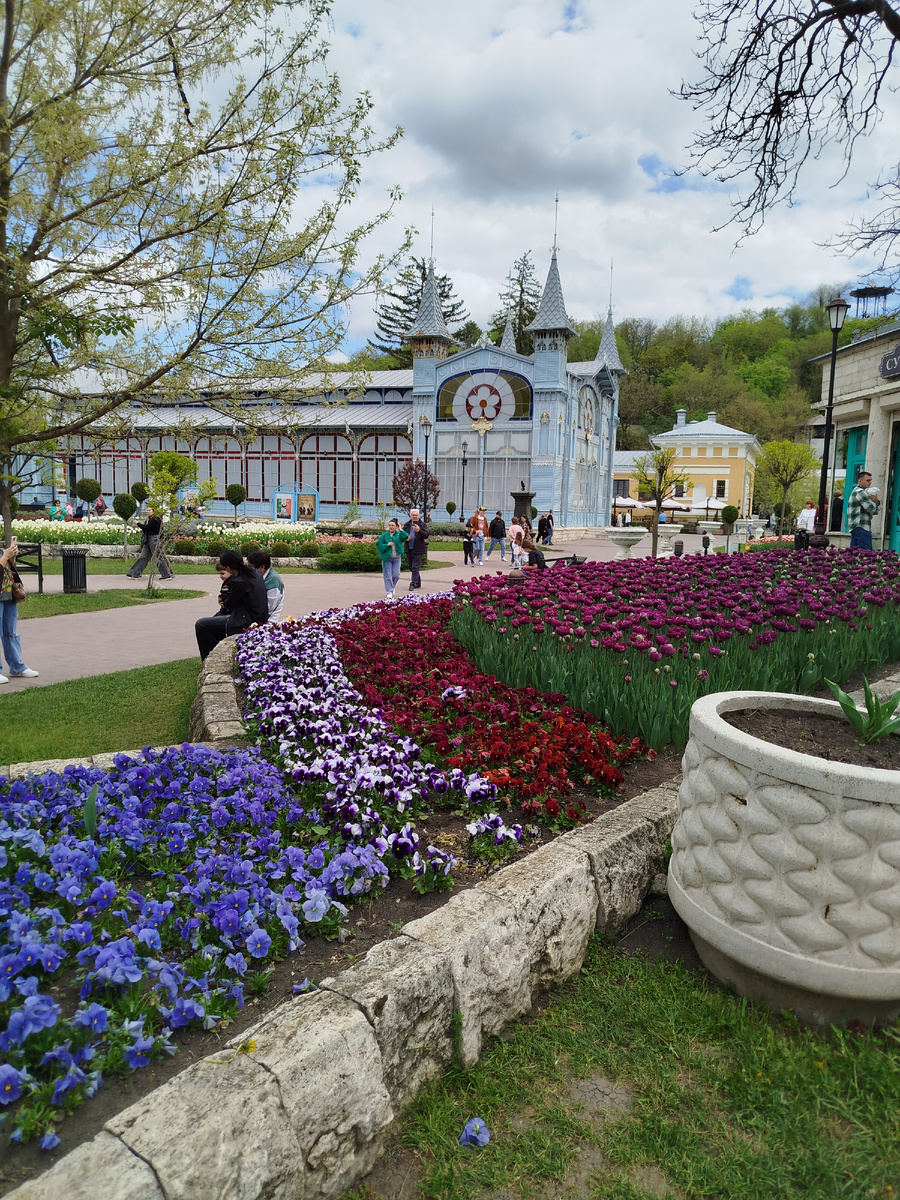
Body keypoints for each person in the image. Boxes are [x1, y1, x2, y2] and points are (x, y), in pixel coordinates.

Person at [195, 551, 269, 660]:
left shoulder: (239, 582)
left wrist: (223, 599)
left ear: (228, 567)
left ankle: (209, 660)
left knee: (202, 624)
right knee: (215, 620)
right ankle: (218, 656)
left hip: (247, 620)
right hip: (260, 616)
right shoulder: (254, 572)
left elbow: (229, 605)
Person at [0, 544, 39, 683]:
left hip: (8, 594)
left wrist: (12, 557)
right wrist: (5, 556)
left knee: (11, 632)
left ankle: (17, 666)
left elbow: (8, 568)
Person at [126, 506, 174, 580]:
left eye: (149, 510)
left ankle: (166, 574)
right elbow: (146, 529)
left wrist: (138, 523)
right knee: (144, 556)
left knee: (158, 557)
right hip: (148, 539)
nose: (147, 511)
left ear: (153, 511)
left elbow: (147, 528)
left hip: (154, 539)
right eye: (147, 510)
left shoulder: (155, 520)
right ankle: (134, 573)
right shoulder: (149, 519)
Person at [246, 550, 284, 622]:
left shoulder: (273, 581)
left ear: (262, 567)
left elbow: (268, 607)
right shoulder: (257, 576)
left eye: (251, 567)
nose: (248, 569)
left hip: (267, 621)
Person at [376, 517, 409, 600]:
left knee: (396, 575)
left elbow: (406, 536)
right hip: (387, 558)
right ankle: (389, 592)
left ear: (396, 526)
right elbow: (378, 545)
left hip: (397, 558)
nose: (391, 527)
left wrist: (401, 529)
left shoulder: (398, 535)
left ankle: (391, 587)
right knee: (388, 575)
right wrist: (386, 545)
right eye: (389, 525)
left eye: (393, 525)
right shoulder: (384, 536)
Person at [847, 471, 880, 550]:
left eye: (871, 480)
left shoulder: (857, 491)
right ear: (860, 481)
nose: (870, 483)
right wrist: (876, 502)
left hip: (855, 526)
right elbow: (873, 510)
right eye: (868, 480)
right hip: (861, 526)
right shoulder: (860, 492)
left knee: (853, 554)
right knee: (866, 553)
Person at [402, 507, 429, 589]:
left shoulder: (422, 524)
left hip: (418, 549)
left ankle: (412, 584)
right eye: (413, 515)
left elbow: (426, 534)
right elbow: (401, 535)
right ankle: (418, 582)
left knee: (415, 567)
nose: (415, 517)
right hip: (408, 548)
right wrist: (405, 538)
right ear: (410, 516)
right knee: (411, 567)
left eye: (416, 515)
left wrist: (419, 530)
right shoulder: (407, 525)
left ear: (418, 516)